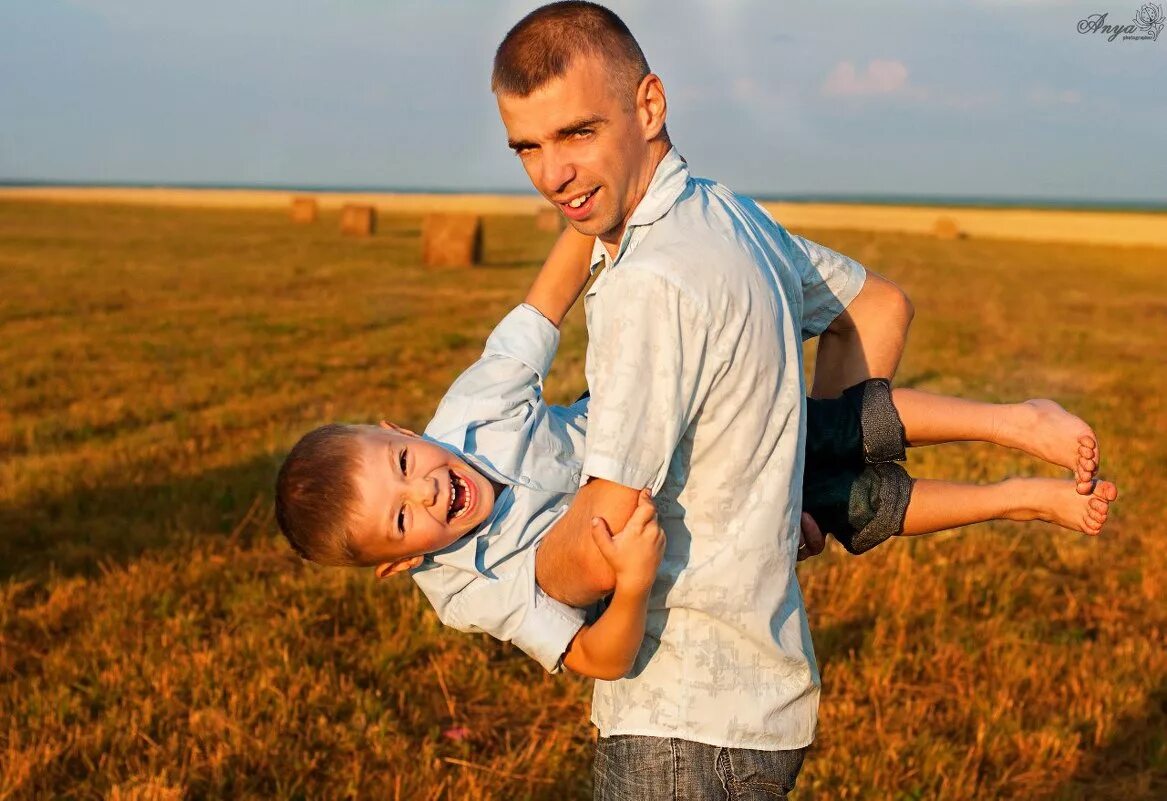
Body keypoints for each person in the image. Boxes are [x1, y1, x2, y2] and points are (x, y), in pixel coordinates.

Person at [274, 229, 1116, 687]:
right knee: (856, 508)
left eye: (401, 462)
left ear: (401, 427)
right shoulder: (465, 590)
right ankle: (1015, 497)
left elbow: (547, 299)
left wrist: (597, 218)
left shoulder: (472, 407)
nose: (424, 492)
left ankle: (1011, 418)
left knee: (829, 425)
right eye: (399, 520)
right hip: (698, 528)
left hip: (678, 426)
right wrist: (633, 584)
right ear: (399, 566)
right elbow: (593, 660)